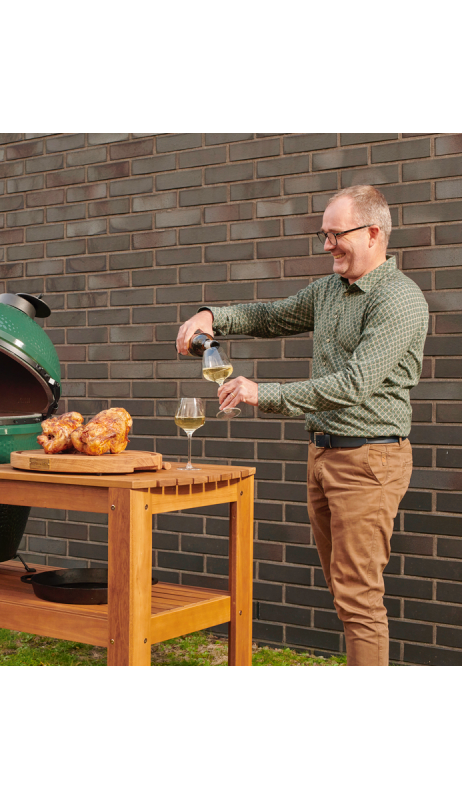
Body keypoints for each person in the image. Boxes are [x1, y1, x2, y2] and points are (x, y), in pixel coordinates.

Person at [175, 185, 429, 666]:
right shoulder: (330, 291)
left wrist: (259, 393)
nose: (328, 244)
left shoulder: (399, 299)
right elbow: (270, 316)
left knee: (359, 600)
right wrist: (213, 316)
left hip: (369, 460)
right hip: (325, 454)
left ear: (374, 232)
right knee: (345, 593)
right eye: (324, 235)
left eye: (337, 234)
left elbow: (354, 384)